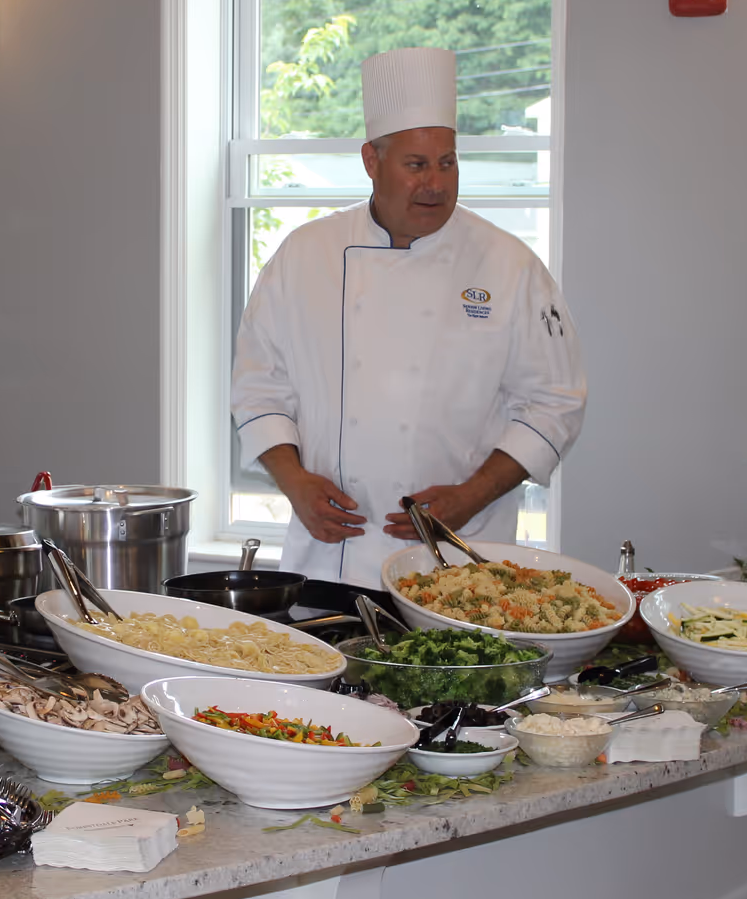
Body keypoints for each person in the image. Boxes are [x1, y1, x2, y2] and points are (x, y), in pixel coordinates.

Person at [230, 46, 586, 593]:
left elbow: (556, 402)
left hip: (459, 568)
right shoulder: (305, 257)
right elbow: (258, 388)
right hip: (327, 564)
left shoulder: (510, 266)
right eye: (416, 166)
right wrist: (294, 481)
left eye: (447, 163)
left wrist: (472, 495)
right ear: (372, 162)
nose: (436, 184)